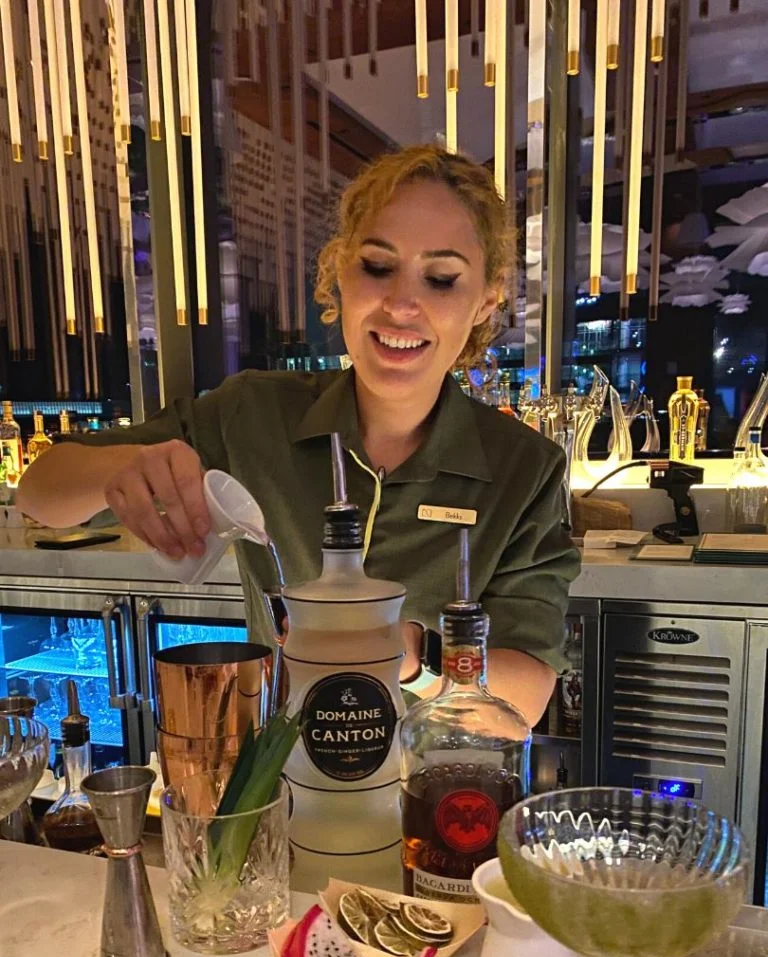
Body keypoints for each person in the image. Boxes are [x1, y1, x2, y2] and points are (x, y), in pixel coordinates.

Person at [18, 145, 580, 725]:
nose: (401, 305)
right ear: (340, 274)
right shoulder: (253, 415)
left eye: (441, 279)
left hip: (430, 795)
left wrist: (413, 655)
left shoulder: (523, 468)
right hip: (287, 787)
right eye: (377, 266)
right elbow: (40, 495)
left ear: (486, 299)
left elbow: (525, 698)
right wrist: (123, 468)